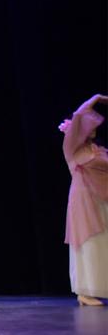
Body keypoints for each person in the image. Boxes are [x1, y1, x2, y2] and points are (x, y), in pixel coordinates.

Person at [61, 94, 108, 305]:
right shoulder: (72, 149)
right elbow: (79, 114)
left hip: (102, 200)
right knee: (88, 242)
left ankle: (100, 287)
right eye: (88, 123)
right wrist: (96, 99)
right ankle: (85, 291)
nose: (93, 125)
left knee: (102, 244)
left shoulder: (96, 150)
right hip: (83, 201)